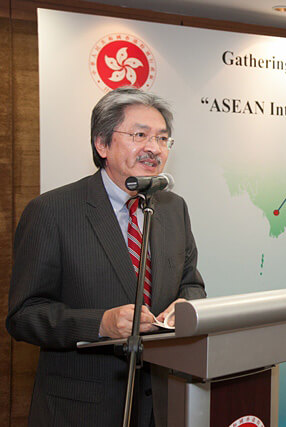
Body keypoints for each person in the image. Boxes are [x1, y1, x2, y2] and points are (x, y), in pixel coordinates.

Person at [6, 87, 206, 426]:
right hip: (82, 408)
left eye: (162, 139)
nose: (153, 148)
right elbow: (24, 315)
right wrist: (100, 324)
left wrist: (184, 307)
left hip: (161, 402)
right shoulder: (52, 211)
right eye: (140, 135)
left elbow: (192, 284)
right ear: (102, 144)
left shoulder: (173, 208)